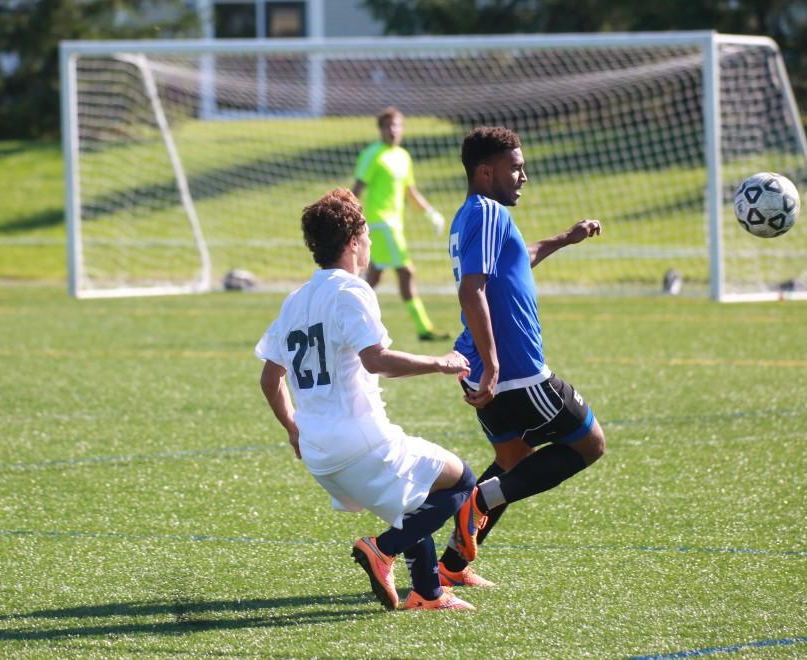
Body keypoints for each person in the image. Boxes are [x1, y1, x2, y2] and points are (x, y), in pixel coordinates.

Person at [256, 187, 482, 611]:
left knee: (409, 503)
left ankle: (428, 593)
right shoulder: (353, 291)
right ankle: (383, 549)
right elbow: (377, 361)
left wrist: (292, 429)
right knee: (462, 479)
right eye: (369, 237)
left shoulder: (295, 300)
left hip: (320, 453)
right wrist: (439, 362)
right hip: (360, 443)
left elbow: (271, 378)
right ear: (355, 241)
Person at [436, 127, 607, 588]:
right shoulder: (489, 212)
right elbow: (471, 290)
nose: (523, 176)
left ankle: (451, 567)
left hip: (485, 374)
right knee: (590, 444)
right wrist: (494, 365)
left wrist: (564, 239)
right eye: (515, 167)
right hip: (515, 372)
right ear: (486, 171)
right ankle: (481, 500)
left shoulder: (469, 216)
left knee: (513, 460)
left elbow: (514, 260)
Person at [353, 106, 449, 341]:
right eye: (388, 126)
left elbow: (410, 191)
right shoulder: (372, 154)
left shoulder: (403, 157)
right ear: (381, 130)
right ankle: (424, 328)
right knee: (407, 272)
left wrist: (431, 213)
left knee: (373, 278)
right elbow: (356, 189)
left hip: (395, 225)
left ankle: (342, 316)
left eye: (397, 125)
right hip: (380, 223)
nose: (393, 130)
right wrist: (351, 220)